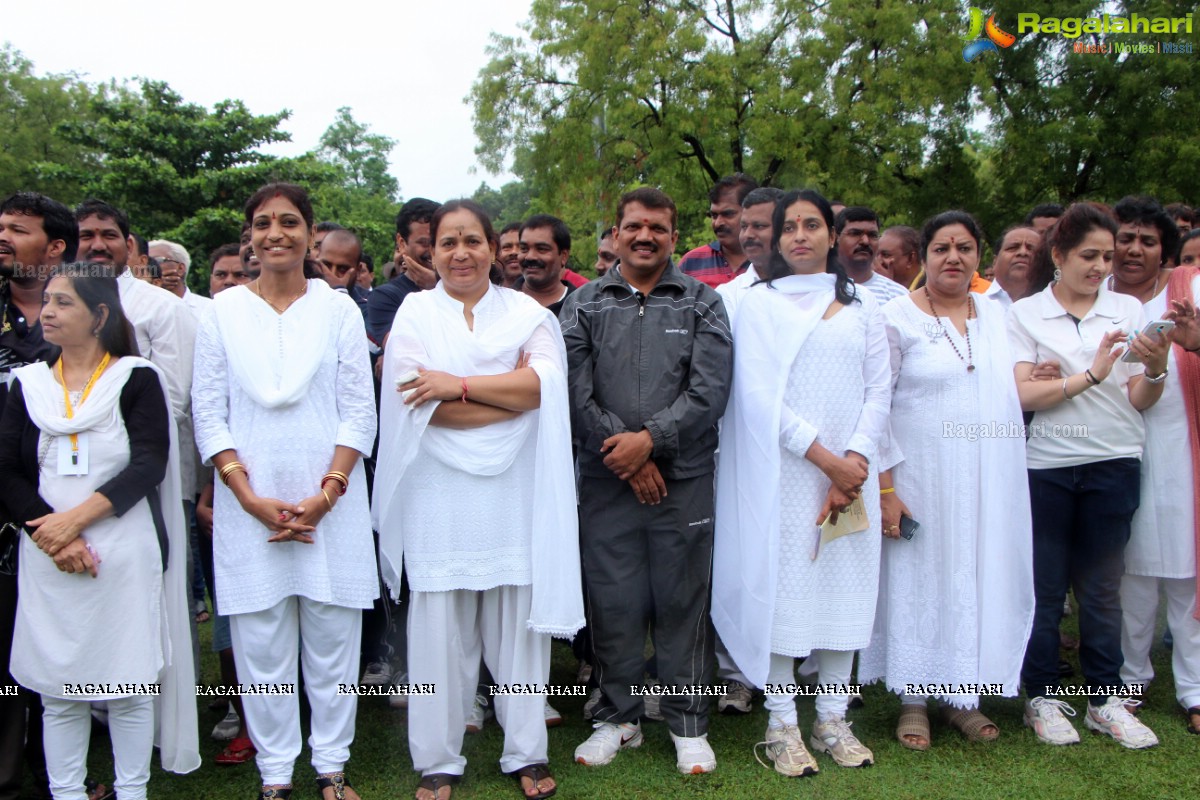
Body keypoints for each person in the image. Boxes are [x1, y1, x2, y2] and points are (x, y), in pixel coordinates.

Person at [373, 199, 582, 800]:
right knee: (439, 626)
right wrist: (503, 395)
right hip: (439, 490)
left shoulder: (526, 313)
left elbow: (545, 388)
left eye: (473, 240)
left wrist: (457, 384)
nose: (460, 253)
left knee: (517, 623)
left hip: (515, 486)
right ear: (429, 251)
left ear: (496, 248)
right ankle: (438, 758)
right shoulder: (414, 313)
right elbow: (419, 401)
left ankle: (526, 752)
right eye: (447, 242)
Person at [192, 183, 378, 800]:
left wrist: (327, 494)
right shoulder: (222, 312)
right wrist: (245, 497)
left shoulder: (340, 310)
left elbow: (358, 411)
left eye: (290, 222)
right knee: (261, 647)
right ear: (250, 234)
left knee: (331, 641)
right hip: (252, 506)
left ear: (309, 232)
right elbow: (209, 413)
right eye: (264, 223)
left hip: (334, 502)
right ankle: (275, 775)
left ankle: (331, 767)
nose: (276, 233)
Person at [0, 265, 198, 800]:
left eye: (63, 303)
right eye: (47, 302)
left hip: (120, 548)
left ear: (100, 316)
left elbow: (149, 462)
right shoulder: (29, 384)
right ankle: (67, 792)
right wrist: (56, 536)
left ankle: (131, 791)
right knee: (58, 692)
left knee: (127, 686)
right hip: (49, 554)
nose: (48, 312)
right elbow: (8, 471)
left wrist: (76, 521)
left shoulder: (135, 378)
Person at [714, 189, 889, 775]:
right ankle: (783, 723)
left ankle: (834, 718)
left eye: (812, 225)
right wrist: (827, 461)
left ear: (832, 235)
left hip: (854, 475)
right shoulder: (757, 305)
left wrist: (856, 461)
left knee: (845, 586)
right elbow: (759, 397)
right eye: (790, 226)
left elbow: (880, 390)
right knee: (787, 588)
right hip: (787, 473)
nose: (800, 236)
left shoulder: (864, 305)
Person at [563, 187, 732, 775]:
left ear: (673, 237)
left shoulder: (702, 303)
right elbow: (573, 391)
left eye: (657, 228)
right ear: (614, 233)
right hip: (607, 479)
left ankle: (689, 724)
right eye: (633, 226)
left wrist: (651, 443)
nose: (644, 237)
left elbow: (709, 393)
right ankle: (617, 718)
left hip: (683, 479)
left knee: (682, 600)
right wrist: (627, 456)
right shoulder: (584, 303)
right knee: (614, 602)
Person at [859, 211, 1035, 750]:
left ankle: (964, 698)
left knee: (973, 574)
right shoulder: (894, 317)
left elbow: (1016, 386)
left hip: (986, 480)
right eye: (941, 248)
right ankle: (914, 700)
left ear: (979, 255)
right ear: (926, 256)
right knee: (919, 578)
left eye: (963, 247)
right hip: (920, 477)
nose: (953, 257)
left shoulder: (999, 316)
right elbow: (876, 406)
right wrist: (886, 491)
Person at [1008, 202, 1169, 749]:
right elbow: (1024, 394)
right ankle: (1043, 698)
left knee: (1103, 591)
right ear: (1058, 255)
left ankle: (1104, 701)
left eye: (1108, 256)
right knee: (1046, 590)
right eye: (1089, 256)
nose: (1103, 265)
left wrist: (1155, 366)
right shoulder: (1025, 314)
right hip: (1047, 465)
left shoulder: (1128, 307)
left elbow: (1141, 399)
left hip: (1115, 462)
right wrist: (1092, 374)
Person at [0, 192, 77, 800]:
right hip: (6, 511)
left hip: (65, 513)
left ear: (54, 247)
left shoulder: (84, 320)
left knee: (57, 646)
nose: (2, 237)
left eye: (16, 230)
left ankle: (61, 774)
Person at [1112, 204, 1200, 735]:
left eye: (1147, 240)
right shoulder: (1106, 300)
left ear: (1164, 249)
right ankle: (1131, 678)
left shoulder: (1190, 287)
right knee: (1134, 570)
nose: (1134, 249)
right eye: (1126, 238)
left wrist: (1193, 339)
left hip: (1183, 444)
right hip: (1120, 445)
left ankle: (1193, 688)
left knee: (1188, 568)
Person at [366, 198, 440, 348]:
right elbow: (403, 352)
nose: (434, 251)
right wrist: (436, 289)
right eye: (425, 243)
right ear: (401, 243)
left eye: (442, 242)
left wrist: (440, 285)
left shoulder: (469, 288)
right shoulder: (385, 297)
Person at [715, 187, 783, 328]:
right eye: (744, 227)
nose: (747, 235)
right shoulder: (728, 295)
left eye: (759, 226)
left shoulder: (814, 286)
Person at [677, 174, 758, 288]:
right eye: (714, 215)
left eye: (728, 214)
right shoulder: (691, 263)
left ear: (752, 213)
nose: (718, 223)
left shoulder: (773, 263)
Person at [834, 208, 907, 303]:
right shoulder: (818, 288)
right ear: (835, 237)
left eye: (873, 235)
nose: (865, 241)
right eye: (855, 233)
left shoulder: (897, 296)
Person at [519, 214, 575, 315]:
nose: (530, 257)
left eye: (541, 249)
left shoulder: (582, 307)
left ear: (564, 256)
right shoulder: (501, 302)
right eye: (524, 249)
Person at [982, 225, 1040, 308]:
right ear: (995, 261)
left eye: (1031, 249)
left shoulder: (1056, 307)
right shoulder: (973, 307)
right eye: (1013, 247)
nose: (1023, 252)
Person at [873, 226, 921, 290]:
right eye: (876, 254)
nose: (878, 262)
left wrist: (888, 285)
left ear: (910, 259)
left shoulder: (931, 287)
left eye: (886, 255)